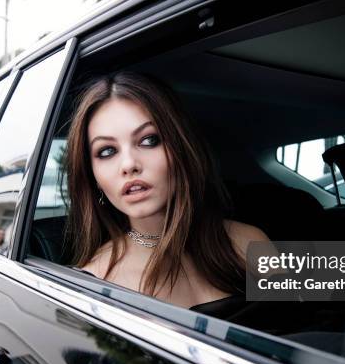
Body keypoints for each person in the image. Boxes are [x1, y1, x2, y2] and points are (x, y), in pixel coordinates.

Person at [65, 72, 269, 309]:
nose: (129, 164)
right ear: (94, 178)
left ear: (181, 149)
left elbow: (314, 322)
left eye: (149, 140)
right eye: (107, 151)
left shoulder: (249, 239)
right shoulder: (96, 283)